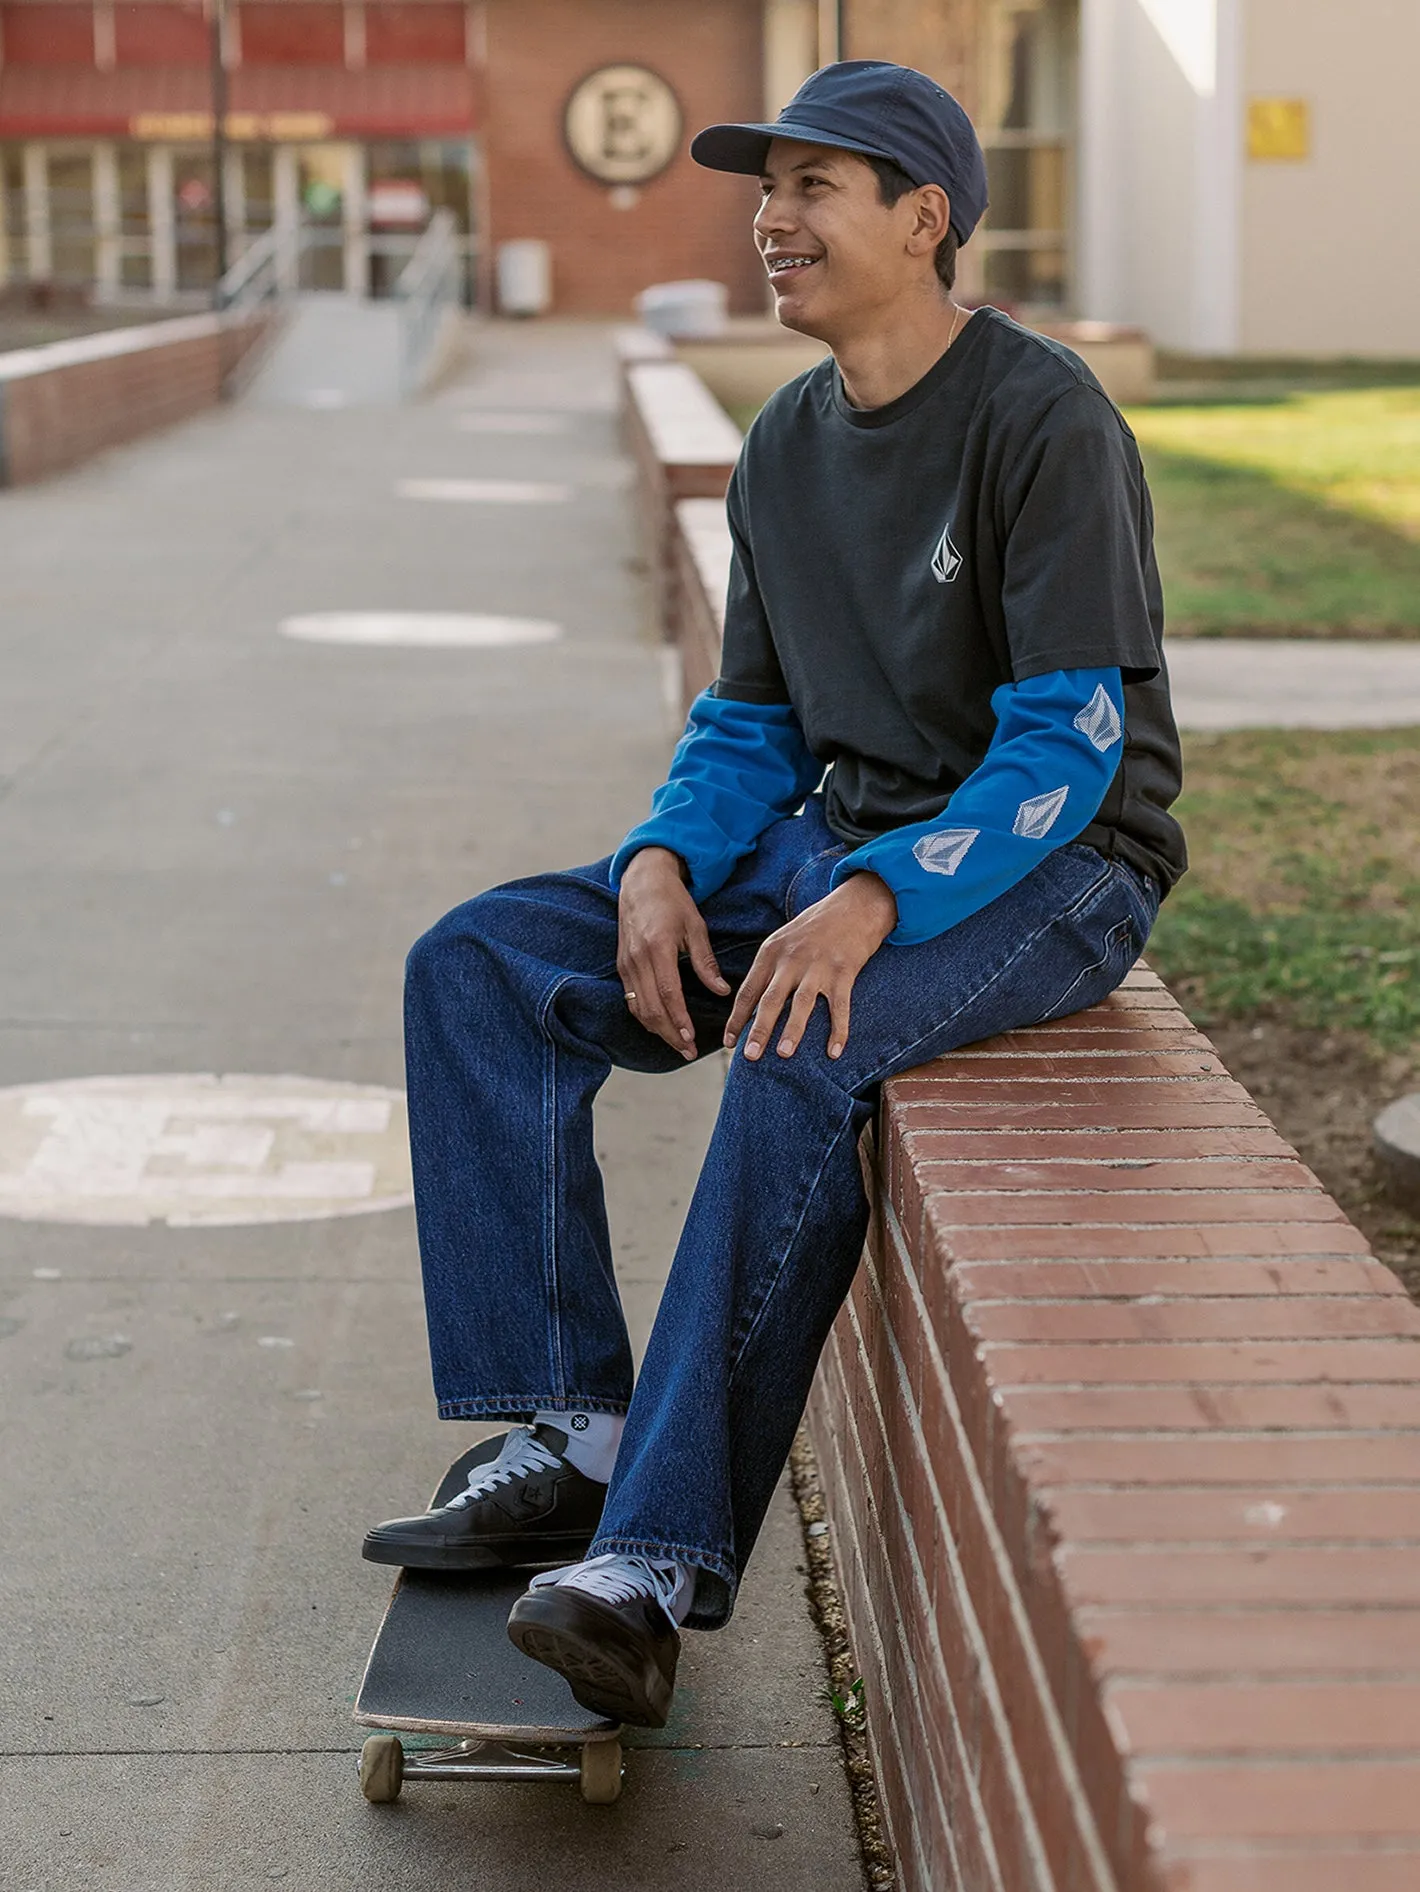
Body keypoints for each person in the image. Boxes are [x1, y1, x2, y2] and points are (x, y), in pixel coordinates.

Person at [363, 59, 1187, 1731]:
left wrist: (877, 895)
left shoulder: (1042, 419)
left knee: (799, 1045)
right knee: (483, 966)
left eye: (818, 185)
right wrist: (664, 860)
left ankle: (650, 1568)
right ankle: (574, 1428)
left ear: (925, 218)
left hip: (1058, 874)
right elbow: (748, 716)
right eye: (769, 185)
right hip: (837, 840)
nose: (772, 214)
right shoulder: (787, 442)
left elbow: (1068, 746)